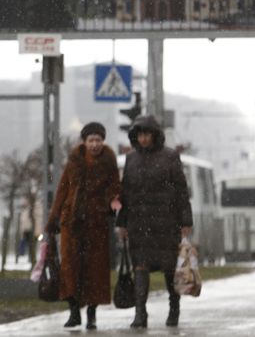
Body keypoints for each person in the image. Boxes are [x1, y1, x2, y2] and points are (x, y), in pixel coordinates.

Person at [116, 115, 193, 329]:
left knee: (169, 269)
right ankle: (140, 313)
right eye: (139, 135)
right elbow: (125, 192)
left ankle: (174, 307)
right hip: (139, 224)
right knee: (140, 268)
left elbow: (181, 190)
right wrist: (122, 223)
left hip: (166, 224)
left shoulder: (170, 157)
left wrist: (185, 221)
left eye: (147, 134)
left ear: (155, 134)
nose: (143, 139)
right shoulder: (131, 159)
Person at [44, 122, 121, 330]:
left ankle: (91, 314)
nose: (94, 144)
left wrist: (112, 202)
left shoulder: (109, 162)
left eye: (98, 140)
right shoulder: (74, 162)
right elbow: (62, 190)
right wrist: (53, 220)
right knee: (70, 268)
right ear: (84, 142)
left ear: (103, 141)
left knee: (95, 272)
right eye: (91, 140)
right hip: (72, 223)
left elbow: (116, 188)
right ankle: (73, 312)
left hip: (97, 225)